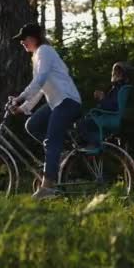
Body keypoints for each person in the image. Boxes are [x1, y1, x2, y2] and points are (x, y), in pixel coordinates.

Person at [8, 23, 82, 200]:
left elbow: (40, 80)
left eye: (23, 39)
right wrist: (23, 108)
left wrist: (20, 97)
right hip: (56, 102)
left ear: (33, 38)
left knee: (51, 140)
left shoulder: (44, 51)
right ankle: (60, 154)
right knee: (32, 125)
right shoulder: (37, 56)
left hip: (67, 101)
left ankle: (48, 187)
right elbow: (40, 89)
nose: (22, 43)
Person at [78, 61, 133, 151]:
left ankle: (95, 144)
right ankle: (90, 144)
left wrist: (102, 98)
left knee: (81, 123)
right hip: (110, 118)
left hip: (108, 118)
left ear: (124, 76)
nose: (114, 74)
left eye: (118, 72)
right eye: (114, 71)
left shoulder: (119, 89)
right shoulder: (119, 89)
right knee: (86, 121)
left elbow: (112, 107)